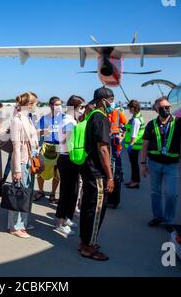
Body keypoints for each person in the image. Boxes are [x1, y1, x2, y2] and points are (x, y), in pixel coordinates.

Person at [141, 96, 181, 232]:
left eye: (168, 107)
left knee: (171, 194)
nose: (166, 110)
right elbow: (145, 145)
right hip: (154, 164)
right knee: (155, 193)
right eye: (162, 108)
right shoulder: (151, 125)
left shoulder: (178, 122)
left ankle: (169, 220)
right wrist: (143, 163)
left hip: (171, 165)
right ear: (156, 110)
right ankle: (157, 217)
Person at [78, 87, 115, 261]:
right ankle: (89, 247)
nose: (112, 103)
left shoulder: (91, 116)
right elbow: (103, 149)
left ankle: (84, 241)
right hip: (96, 172)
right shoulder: (100, 118)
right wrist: (110, 176)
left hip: (88, 168)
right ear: (103, 100)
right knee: (96, 209)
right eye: (111, 99)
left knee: (88, 206)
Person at [9, 92, 39, 238]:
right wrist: (16, 169)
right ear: (29, 104)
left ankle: (23, 222)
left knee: (27, 193)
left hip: (29, 160)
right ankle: (15, 226)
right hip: (21, 161)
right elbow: (15, 146)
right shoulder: (17, 120)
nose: (37, 106)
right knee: (19, 194)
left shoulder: (27, 119)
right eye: (35, 103)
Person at [55, 95, 86, 236]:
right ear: (75, 107)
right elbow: (67, 144)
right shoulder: (69, 122)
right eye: (81, 107)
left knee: (73, 191)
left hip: (68, 159)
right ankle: (60, 222)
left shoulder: (70, 120)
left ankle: (67, 217)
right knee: (66, 192)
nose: (82, 110)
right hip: (68, 159)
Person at [34, 96, 63, 203]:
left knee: (57, 173)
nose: (58, 107)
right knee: (40, 171)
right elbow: (37, 132)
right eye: (56, 105)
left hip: (59, 147)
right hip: (46, 146)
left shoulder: (64, 118)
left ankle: (52, 193)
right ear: (50, 105)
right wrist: (45, 130)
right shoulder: (44, 118)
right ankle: (41, 191)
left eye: (60, 104)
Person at [124, 100, 145, 189]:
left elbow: (134, 135)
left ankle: (136, 182)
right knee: (133, 164)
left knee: (134, 164)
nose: (129, 110)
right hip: (135, 145)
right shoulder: (137, 116)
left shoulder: (136, 120)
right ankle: (133, 180)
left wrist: (130, 145)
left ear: (133, 108)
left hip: (134, 146)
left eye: (129, 108)